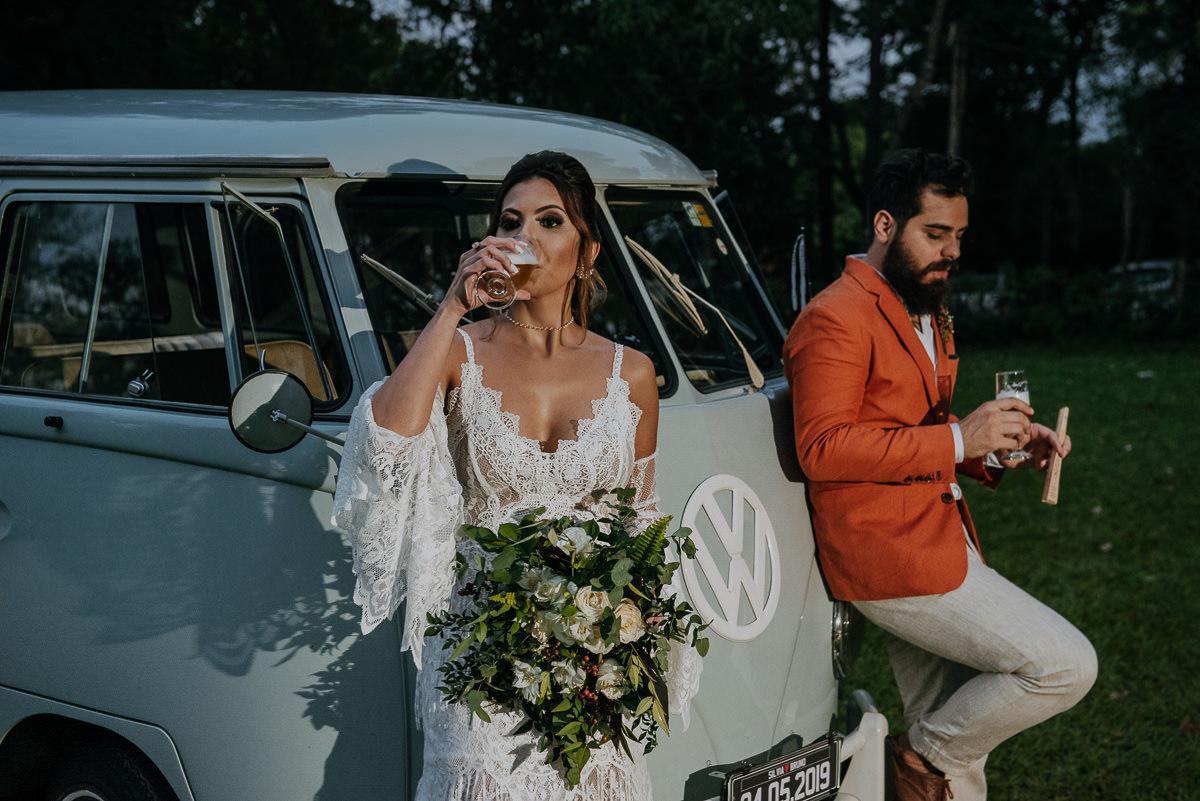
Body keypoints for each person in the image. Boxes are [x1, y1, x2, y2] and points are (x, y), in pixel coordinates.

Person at [332, 150, 701, 801]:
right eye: (510, 221)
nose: (523, 236)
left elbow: (638, 524)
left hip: (589, 659)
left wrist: (621, 638)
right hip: (479, 660)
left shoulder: (634, 373)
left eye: (549, 220)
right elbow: (386, 440)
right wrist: (453, 305)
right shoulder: (458, 350)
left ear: (588, 252)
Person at [783, 148, 1096, 801]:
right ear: (885, 224)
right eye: (935, 233)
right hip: (888, 556)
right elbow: (824, 447)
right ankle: (916, 757)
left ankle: (930, 763)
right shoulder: (835, 316)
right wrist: (960, 436)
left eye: (959, 235)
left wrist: (999, 448)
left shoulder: (927, 307)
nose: (952, 250)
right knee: (1063, 665)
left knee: (957, 744)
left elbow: (912, 423)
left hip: (939, 534)